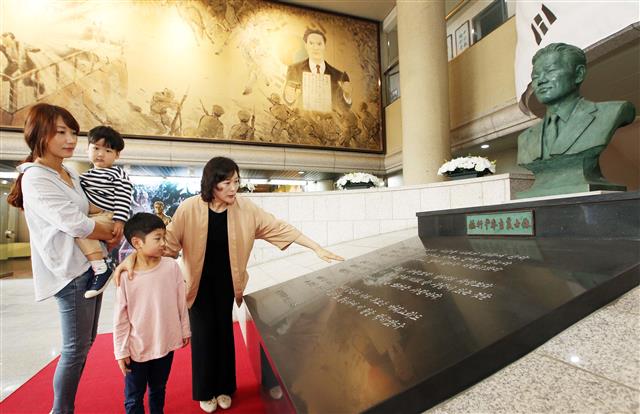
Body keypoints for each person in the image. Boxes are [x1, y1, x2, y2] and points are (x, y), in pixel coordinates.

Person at [115, 156, 343, 413]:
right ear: (212, 184)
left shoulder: (246, 209)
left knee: (224, 335)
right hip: (197, 285)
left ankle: (224, 388)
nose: (234, 188)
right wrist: (132, 259)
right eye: (227, 182)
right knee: (203, 337)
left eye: (236, 181)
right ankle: (205, 391)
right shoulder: (189, 208)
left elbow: (278, 227)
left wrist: (316, 247)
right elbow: (164, 243)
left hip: (227, 284)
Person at [7, 103, 115, 413]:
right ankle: (61, 410)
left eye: (73, 133)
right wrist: (107, 230)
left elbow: (85, 210)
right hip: (69, 272)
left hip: (87, 267)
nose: (70, 139)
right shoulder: (36, 178)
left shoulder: (66, 171)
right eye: (60, 132)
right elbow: (75, 223)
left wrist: (109, 220)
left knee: (85, 344)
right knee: (74, 349)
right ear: (39, 135)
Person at [113, 213, 191, 413]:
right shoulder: (126, 277)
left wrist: (184, 330)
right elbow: (120, 318)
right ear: (137, 242)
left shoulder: (171, 267)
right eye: (158, 238)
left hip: (165, 343)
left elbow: (180, 301)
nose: (164, 243)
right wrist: (121, 351)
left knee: (158, 389)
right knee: (133, 397)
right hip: (137, 349)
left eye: (164, 237)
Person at [517, 43, 635, 164]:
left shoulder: (611, 112)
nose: (541, 80)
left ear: (579, 74)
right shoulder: (525, 139)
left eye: (550, 71)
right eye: (535, 76)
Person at [78, 125, 133, 298]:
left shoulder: (117, 174)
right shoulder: (84, 176)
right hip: (94, 216)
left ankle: (101, 268)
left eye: (108, 150)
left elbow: (124, 197)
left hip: (108, 215)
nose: (100, 154)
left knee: (80, 228)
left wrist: (119, 220)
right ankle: (102, 262)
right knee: (81, 229)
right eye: (96, 148)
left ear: (117, 155)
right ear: (87, 149)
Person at [283, 28, 352, 113]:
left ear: (324, 46)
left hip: (329, 123)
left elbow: (344, 108)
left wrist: (347, 95)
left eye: (319, 44)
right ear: (306, 45)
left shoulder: (338, 75)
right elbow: (289, 101)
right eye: (311, 43)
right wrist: (290, 96)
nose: (315, 47)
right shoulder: (294, 69)